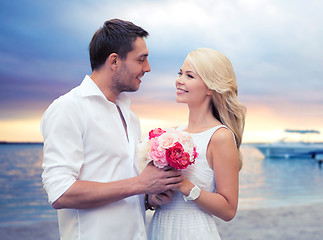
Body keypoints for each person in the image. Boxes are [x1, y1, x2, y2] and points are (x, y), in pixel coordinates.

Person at [40, 19, 182, 240]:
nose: (148, 68)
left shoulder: (129, 115)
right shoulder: (68, 108)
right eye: (141, 59)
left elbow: (123, 184)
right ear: (114, 61)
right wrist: (139, 184)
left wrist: (148, 197)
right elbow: (61, 193)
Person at [148, 48, 246, 239]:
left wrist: (185, 186)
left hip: (192, 231)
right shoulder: (175, 133)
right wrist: (156, 196)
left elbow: (228, 210)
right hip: (160, 228)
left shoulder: (220, 137)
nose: (179, 80)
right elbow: (160, 195)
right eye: (180, 73)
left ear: (210, 87)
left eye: (189, 75)